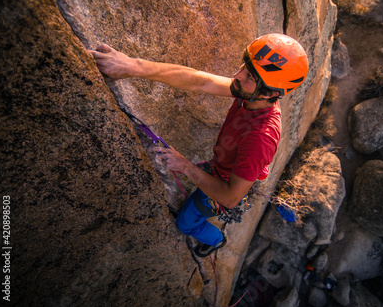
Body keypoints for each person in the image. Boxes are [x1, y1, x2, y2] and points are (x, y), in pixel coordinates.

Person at [89, 34, 309, 257]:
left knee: (186, 222)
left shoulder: (261, 137)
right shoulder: (253, 93)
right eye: (245, 65)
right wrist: (132, 66)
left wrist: (185, 166)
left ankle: (217, 240)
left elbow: (230, 198)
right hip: (222, 169)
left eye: (249, 75)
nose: (237, 75)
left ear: (272, 92)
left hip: (225, 187)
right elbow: (199, 80)